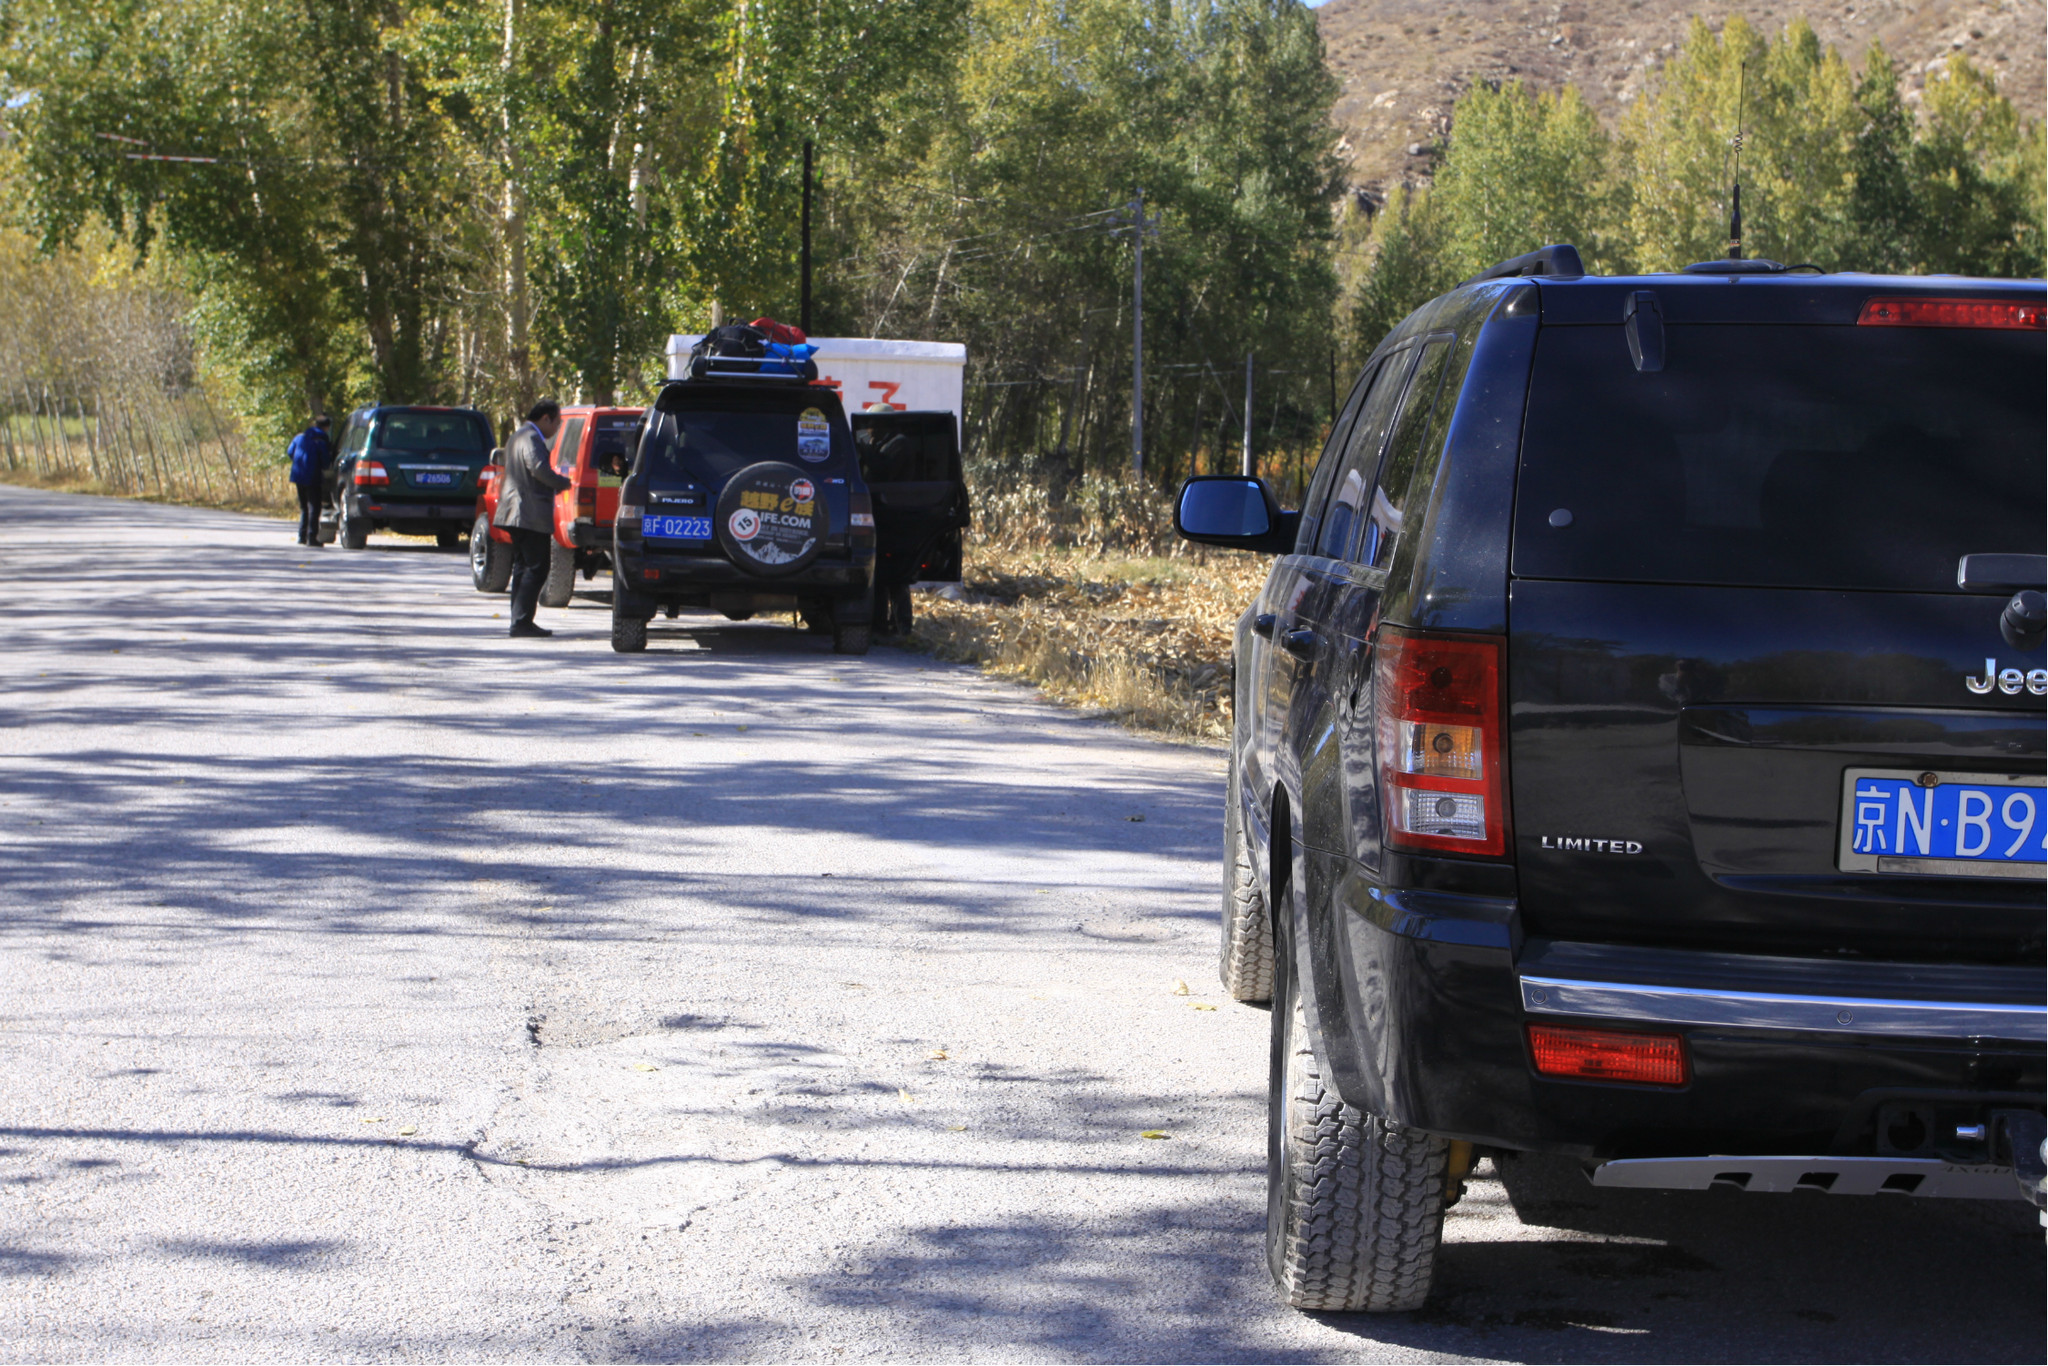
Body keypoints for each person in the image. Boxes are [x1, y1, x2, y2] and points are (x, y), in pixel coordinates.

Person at [494, 399, 571, 638]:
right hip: (528, 513)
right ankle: (521, 621)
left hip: (516, 512)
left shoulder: (518, 435)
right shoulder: (531, 437)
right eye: (557, 423)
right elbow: (537, 467)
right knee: (538, 567)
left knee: (523, 566)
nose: (556, 429)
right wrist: (562, 482)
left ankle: (519, 620)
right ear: (545, 418)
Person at [286, 415, 334, 546]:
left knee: (304, 507)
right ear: (326, 427)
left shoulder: (300, 437)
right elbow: (325, 461)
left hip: (298, 475)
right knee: (314, 507)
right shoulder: (321, 440)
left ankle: (302, 536)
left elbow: (290, 452)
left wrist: (299, 462)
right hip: (313, 477)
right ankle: (312, 537)